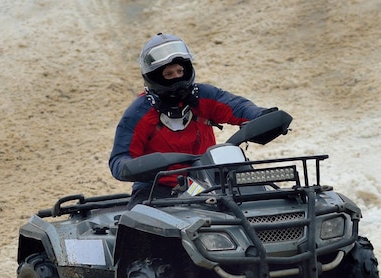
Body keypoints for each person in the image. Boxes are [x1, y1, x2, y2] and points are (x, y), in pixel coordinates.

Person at [109, 33, 268, 208]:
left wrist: (260, 115)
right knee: (143, 220)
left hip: (208, 180)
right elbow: (119, 159)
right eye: (168, 74)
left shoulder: (204, 95)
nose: (177, 77)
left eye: (180, 71)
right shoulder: (138, 112)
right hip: (158, 187)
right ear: (155, 77)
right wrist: (136, 167)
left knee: (261, 200)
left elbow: (238, 107)